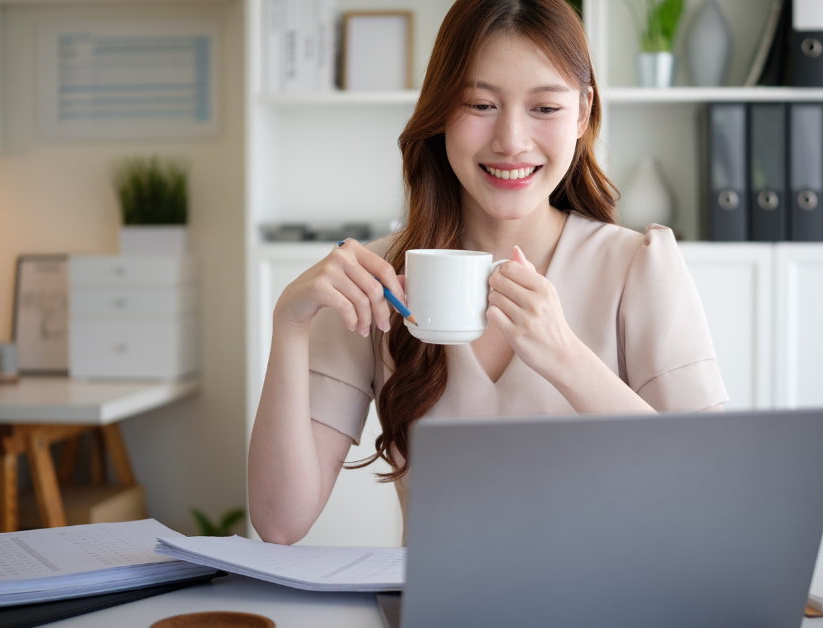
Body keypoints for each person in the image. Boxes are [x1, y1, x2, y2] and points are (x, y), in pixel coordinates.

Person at [248, 0, 729, 545]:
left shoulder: (638, 265)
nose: (511, 140)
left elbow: (709, 492)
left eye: (544, 107)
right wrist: (290, 323)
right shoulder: (377, 280)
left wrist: (566, 357)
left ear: (583, 111)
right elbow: (279, 521)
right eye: (480, 103)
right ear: (439, 111)